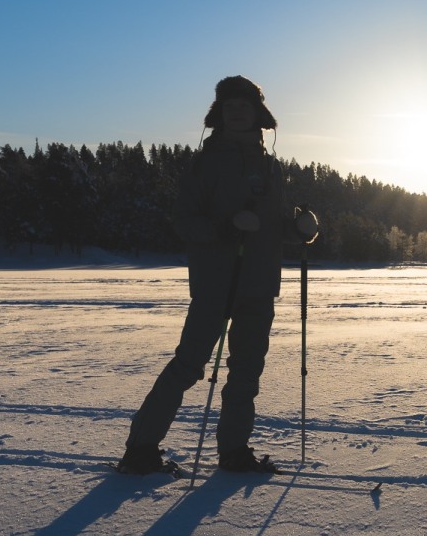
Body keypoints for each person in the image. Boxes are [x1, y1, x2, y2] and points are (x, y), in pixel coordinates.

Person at [118, 75, 320, 474]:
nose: (237, 112)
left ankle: (234, 452)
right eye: (230, 106)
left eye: (245, 105)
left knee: (246, 372)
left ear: (259, 113)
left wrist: (299, 230)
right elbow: (184, 221)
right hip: (216, 284)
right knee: (188, 366)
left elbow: (271, 225)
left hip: (259, 285)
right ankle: (140, 449)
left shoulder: (271, 166)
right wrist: (226, 228)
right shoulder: (205, 162)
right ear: (220, 113)